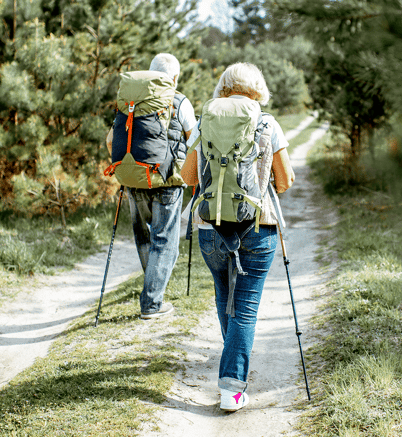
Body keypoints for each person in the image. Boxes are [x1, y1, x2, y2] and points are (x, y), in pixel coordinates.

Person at [180, 62, 295, 411]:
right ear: (257, 90)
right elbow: (286, 180)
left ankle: (233, 363)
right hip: (258, 228)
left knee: (223, 296)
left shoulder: (204, 121)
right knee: (244, 309)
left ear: (223, 88)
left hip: (211, 228)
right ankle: (231, 387)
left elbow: (188, 177)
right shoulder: (267, 123)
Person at [106, 53, 197, 319]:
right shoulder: (178, 100)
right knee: (165, 241)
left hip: (135, 178)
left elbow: (111, 141)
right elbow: (195, 141)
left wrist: (128, 168)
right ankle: (152, 303)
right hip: (167, 179)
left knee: (144, 236)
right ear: (175, 78)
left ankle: (152, 288)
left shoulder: (129, 102)